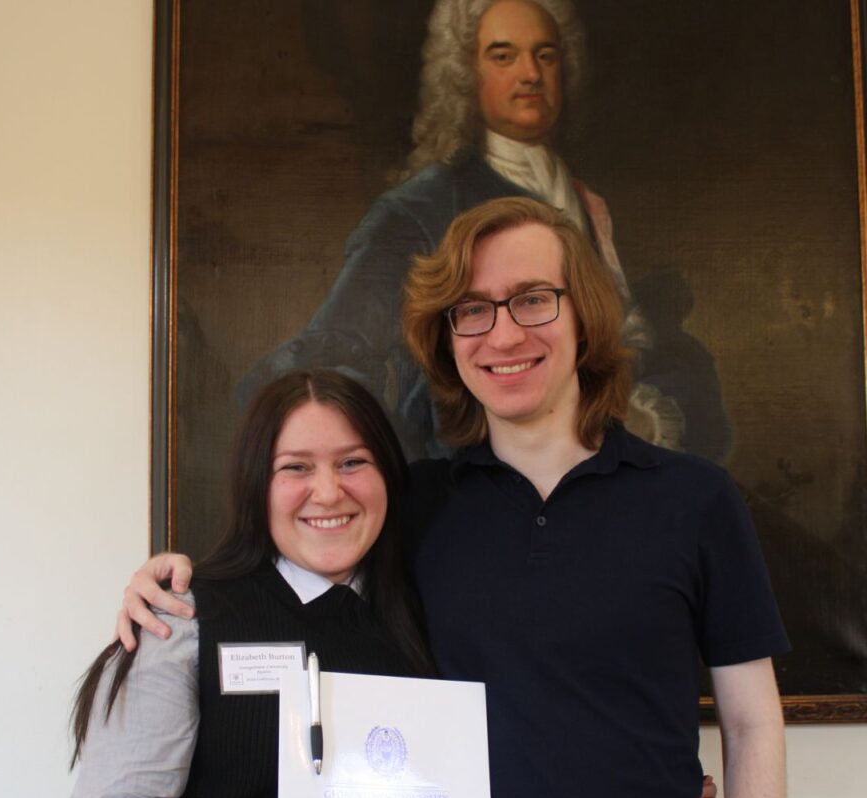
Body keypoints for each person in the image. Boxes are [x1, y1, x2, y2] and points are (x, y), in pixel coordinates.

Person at [120, 197, 763, 798]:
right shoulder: (413, 509)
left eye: (533, 298)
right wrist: (172, 581)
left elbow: (750, 726)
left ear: (586, 315)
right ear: (447, 338)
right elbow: (291, 569)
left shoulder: (696, 500)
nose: (503, 333)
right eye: (472, 310)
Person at [49, 370, 433, 798]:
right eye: (296, 467)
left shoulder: (427, 623)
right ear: (257, 483)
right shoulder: (182, 619)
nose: (328, 490)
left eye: (353, 462)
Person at [236, 0, 727, 460]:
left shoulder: (587, 201)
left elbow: (632, 350)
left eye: (545, 55)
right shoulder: (419, 210)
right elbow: (331, 357)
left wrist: (638, 412)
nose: (531, 74)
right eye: (503, 56)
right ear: (465, 73)